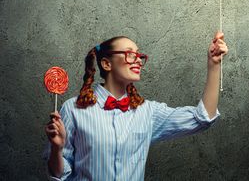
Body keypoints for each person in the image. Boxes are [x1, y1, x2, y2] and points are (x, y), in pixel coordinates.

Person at [43, 31, 228, 180]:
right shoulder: (72, 109)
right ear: (106, 64)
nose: (139, 60)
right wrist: (57, 150)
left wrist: (213, 65)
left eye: (139, 55)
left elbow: (202, 118)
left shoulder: (147, 112)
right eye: (130, 54)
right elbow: (59, 174)